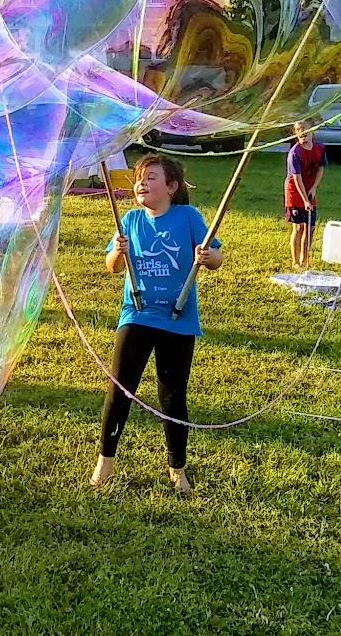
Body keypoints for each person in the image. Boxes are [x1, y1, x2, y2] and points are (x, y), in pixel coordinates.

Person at [91, 154, 221, 494]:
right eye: (139, 177)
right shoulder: (131, 221)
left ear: (171, 187)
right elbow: (113, 267)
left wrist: (208, 257)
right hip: (138, 313)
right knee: (121, 388)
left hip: (178, 319)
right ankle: (105, 460)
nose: (141, 183)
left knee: (173, 395)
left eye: (150, 177)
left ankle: (177, 468)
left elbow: (216, 257)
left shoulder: (188, 217)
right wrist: (118, 253)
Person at [284, 118, 326, 270]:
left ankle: (305, 259)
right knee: (298, 227)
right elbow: (296, 178)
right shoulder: (295, 153)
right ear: (296, 134)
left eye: (305, 131)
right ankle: (295, 261)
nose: (303, 134)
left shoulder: (319, 148)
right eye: (299, 132)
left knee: (310, 228)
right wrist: (304, 200)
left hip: (309, 191)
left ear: (312, 131)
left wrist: (314, 188)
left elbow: (321, 167)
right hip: (295, 192)